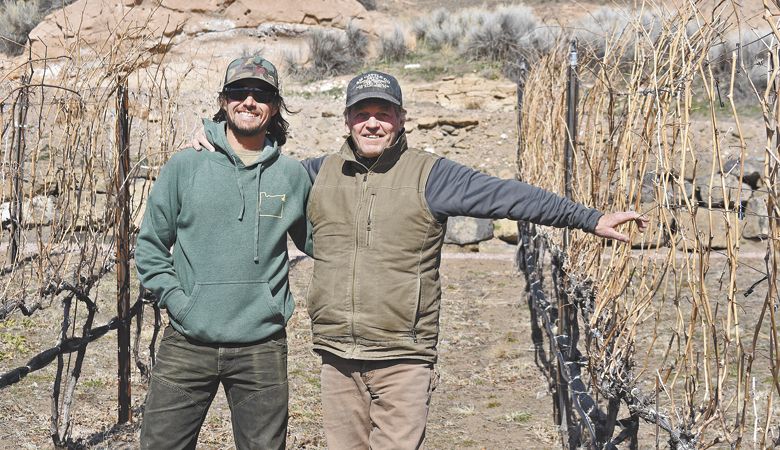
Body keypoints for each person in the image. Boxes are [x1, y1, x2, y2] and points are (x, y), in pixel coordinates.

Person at [194, 70, 647, 449]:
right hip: (336, 358)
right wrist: (214, 145)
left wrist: (588, 218)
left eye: (383, 114)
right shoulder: (315, 173)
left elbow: (509, 196)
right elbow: (254, 173)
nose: (372, 124)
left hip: (402, 357)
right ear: (347, 120)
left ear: (401, 119)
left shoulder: (432, 175)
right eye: (362, 114)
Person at [135, 56, 311, 449]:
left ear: (276, 105)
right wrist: (179, 304)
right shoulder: (185, 165)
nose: (249, 101)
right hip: (186, 341)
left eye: (261, 93)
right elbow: (149, 245)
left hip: (261, 345)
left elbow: (319, 240)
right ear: (224, 100)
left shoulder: (291, 175)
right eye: (239, 92)